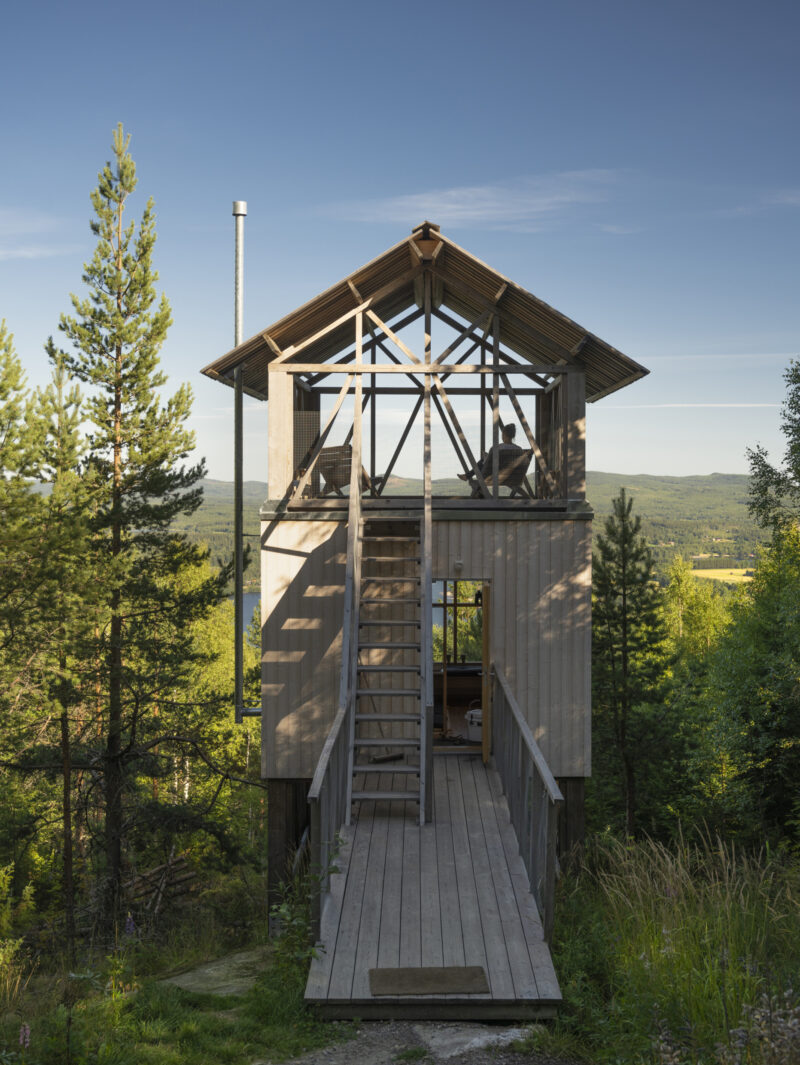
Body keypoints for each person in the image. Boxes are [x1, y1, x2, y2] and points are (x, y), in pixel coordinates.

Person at [457, 424, 522, 495]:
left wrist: (485, 458)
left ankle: (467, 476)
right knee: (485, 461)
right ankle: (467, 476)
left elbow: (489, 463)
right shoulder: (519, 449)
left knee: (483, 461)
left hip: (494, 477)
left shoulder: (497, 448)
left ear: (504, 434)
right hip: (513, 478)